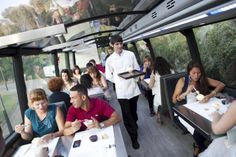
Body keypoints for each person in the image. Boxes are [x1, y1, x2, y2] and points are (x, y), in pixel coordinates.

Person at [172, 61, 225, 156]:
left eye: (199, 73)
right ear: (189, 72)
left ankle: (200, 145)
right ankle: (205, 150)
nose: (196, 76)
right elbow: (174, 100)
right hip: (186, 111)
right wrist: (185, 93)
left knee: (216, 118)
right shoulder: (183, 81)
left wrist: (210, 95)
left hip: (202, 107)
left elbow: (221, 85)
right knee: (198, 131)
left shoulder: (203, 79)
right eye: (193, 73)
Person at [105, 35, 141, 149]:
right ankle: (133, 138)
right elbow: (108, 76)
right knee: (127, 115)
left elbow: (136, 68)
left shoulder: (130, 54)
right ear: (112, 45)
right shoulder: (110, 60)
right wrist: (118, 81)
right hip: (121, 92)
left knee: (133, 112)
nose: (119, 46)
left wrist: (134, 77)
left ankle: (134, 124)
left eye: (121, 43)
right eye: (116, 44)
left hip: (133, 89)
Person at [149, 56, 174, 123]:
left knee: (155, 101)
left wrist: (152, 76)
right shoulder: (171, 70)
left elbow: (150, 86)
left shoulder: (155, 72)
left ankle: (158, 117)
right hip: (172, 95)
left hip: (161, 98)